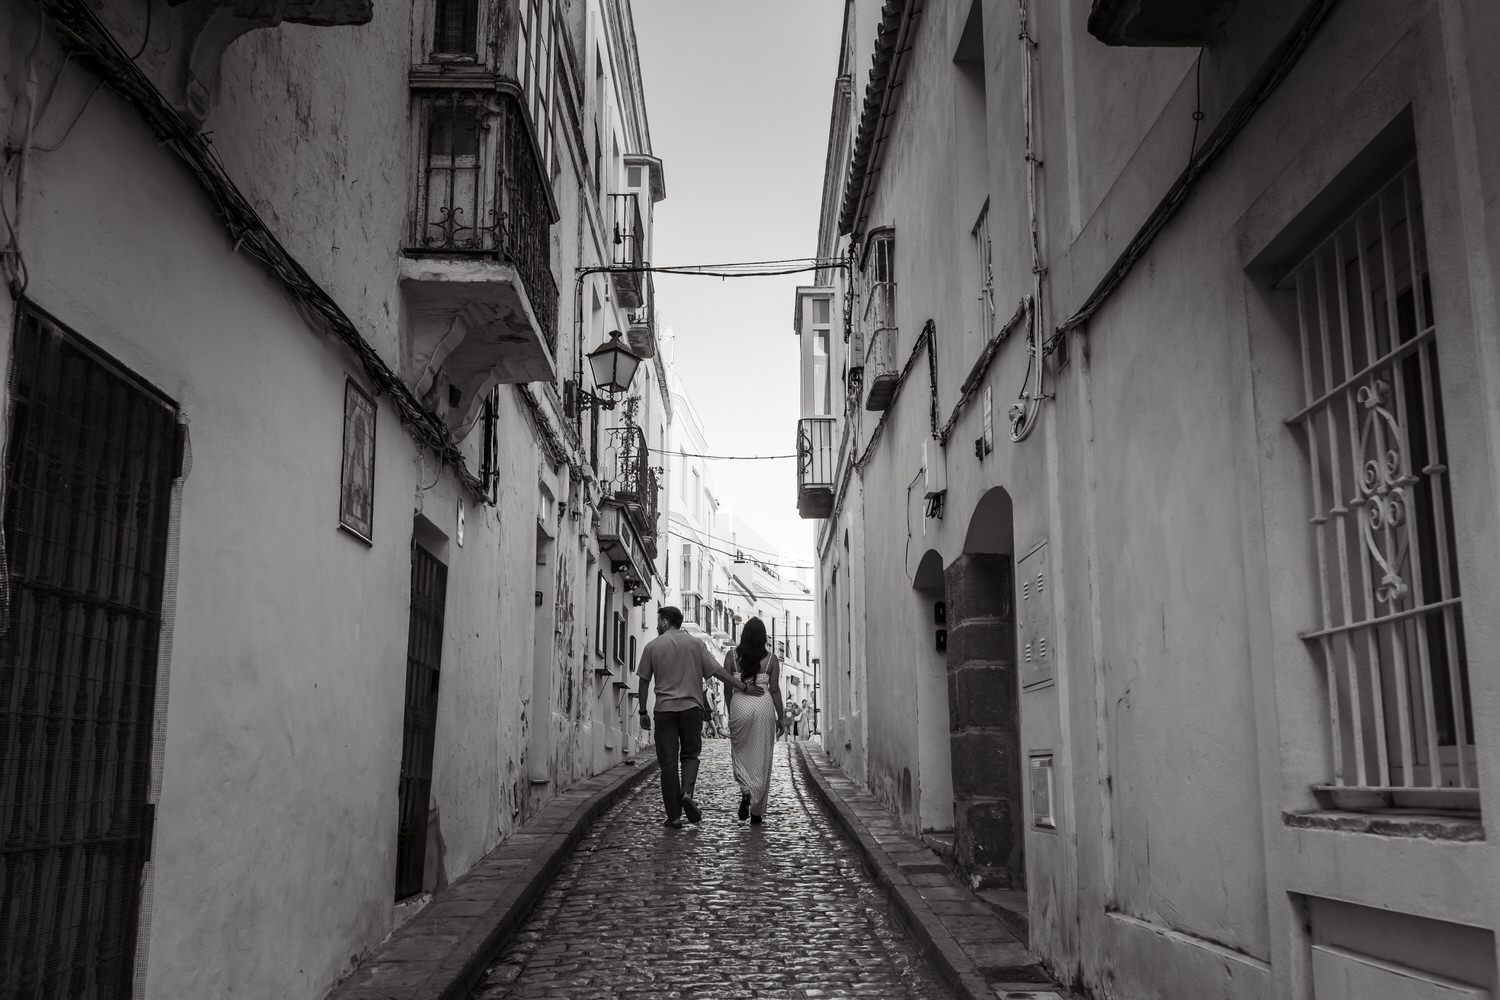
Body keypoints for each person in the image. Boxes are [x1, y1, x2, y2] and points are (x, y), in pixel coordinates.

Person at [637, 606, 763, 828]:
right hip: (691, 710)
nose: (657, 625)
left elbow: (644, 681)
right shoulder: (696, 645)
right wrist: (743, 686)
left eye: (659, 621)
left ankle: (674, 817)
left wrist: (643, 712)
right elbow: (718, 672)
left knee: (667, 764)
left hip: (664, 710)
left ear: (665, 622)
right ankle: (687, 793)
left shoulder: (652, 646)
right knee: (690, 755)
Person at [723, 617, 784, 825]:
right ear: (763, 636)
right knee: (762, 758)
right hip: (763, 705)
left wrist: (732, 711)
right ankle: (756, 811)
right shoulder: (771, 660)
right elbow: (774, 690)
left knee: (740, 754)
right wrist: (781, 718)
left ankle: (745, 790)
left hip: (740, 705)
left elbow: (726, 688)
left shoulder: (731, 656)